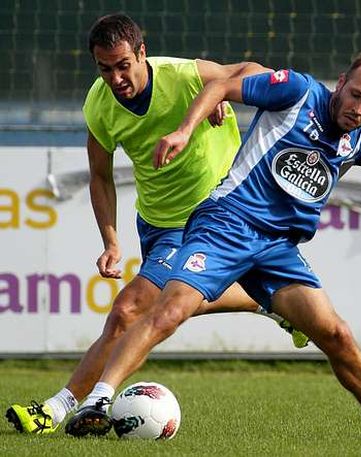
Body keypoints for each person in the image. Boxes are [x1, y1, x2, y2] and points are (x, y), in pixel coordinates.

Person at [62, 52, 361, 439]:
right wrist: (185, 130)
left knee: (337, 334)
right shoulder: (297, 91)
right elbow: (220, 85)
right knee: (169, 310)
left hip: (277, 249)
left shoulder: (360, 140)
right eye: (355, 95)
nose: (359, 109)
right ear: (340, 83)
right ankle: (97, 402)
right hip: (227, 223)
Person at [5, 13, 309, 435]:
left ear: (142, 53)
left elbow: (255, 72)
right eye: (105, 68)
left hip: (214, 215)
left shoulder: (183, 76)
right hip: (156, 223)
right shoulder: (99, 103)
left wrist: (223, 92)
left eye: (123, 64)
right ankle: (268, 301)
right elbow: (100, 176)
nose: (116, 77)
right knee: (171, 303)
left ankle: (58, 410)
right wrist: (111, 241)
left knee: (128, 310)